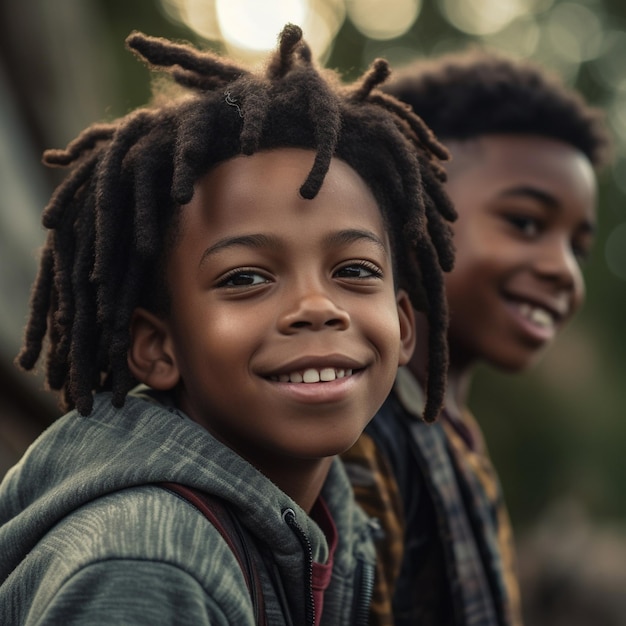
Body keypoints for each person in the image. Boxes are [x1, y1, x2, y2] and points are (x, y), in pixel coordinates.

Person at [0, 24, 457, 625]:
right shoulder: (146, 568)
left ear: (404, 327)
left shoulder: (331, 526)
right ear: (157, 346)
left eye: (353, 268)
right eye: (245, 278)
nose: (318, 306)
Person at [342, 48, 610, 626]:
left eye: (577, 247)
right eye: (526, 223)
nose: (564, 269)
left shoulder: (452, 433)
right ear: (411, 206)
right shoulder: (353, 435)